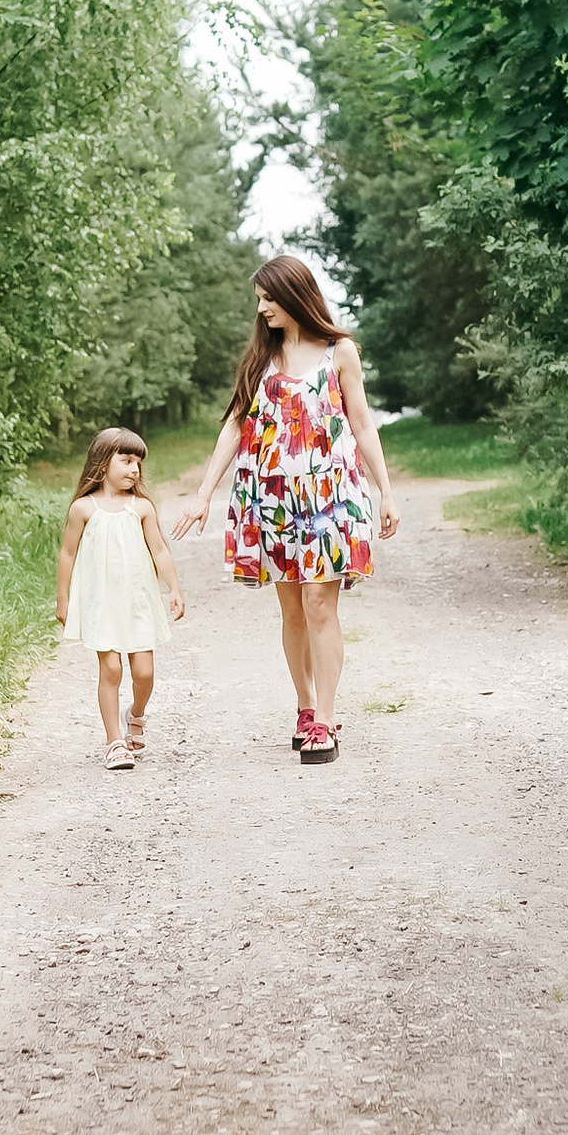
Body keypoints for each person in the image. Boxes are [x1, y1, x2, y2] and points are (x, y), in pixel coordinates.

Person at [173, 256, 397, 764]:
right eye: (259, 300)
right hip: (270, 502)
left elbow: (362, 424)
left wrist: (386, 490)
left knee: (321, 605)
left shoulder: (340, 353)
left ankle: (326, 720)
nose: (262, 308)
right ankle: (304, 705)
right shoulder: (260, 357)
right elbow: (234, 425)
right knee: (292, 610)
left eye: (268, 298)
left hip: (330, 498)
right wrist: (204, 491)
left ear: (294, 295)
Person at [56, 427, 185, 770]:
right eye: (126, 460)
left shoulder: (141, 508)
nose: (134, 470)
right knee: (111, 669)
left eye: (138, 463)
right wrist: (62, 598)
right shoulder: (83, 508)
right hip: (101, 603)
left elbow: (159, 550)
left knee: (143, 673)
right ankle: (115, 742)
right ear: (101, 463)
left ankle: (136, 714)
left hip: (137, 600)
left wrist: (173, 588)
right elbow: (67, 553)